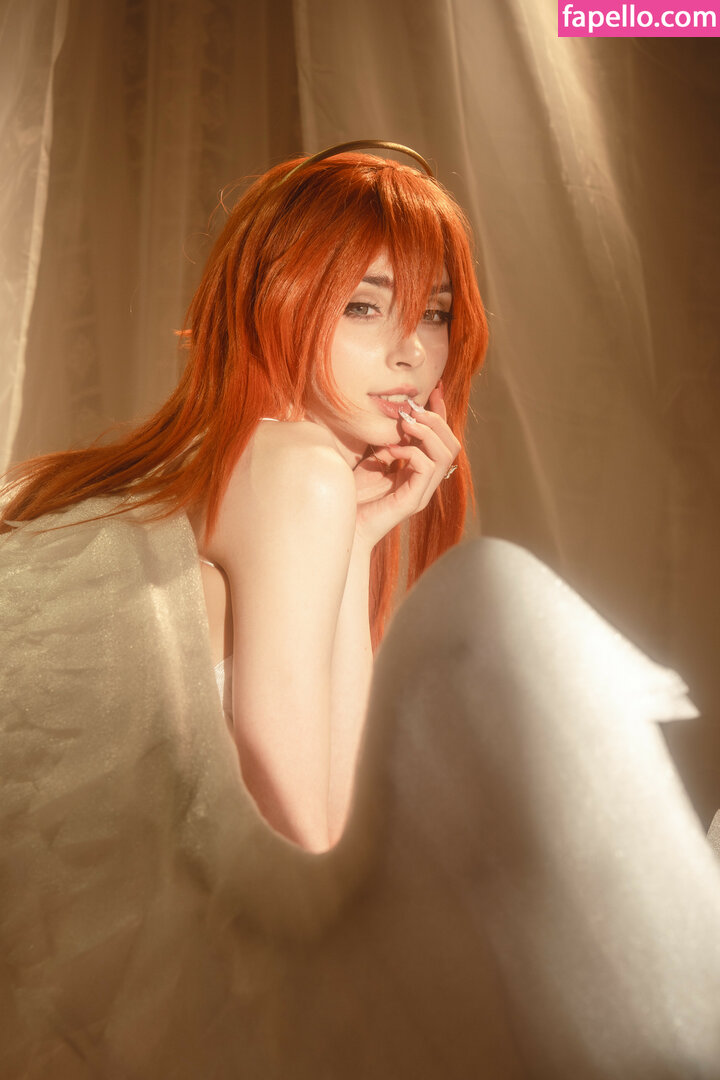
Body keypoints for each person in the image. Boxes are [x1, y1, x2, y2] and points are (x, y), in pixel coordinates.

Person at [1, 141, 720, 1078]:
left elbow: (317, 809)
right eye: (364, 306)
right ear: (274, 300)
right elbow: (306, 834)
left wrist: (364, 535)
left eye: (435, 313)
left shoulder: (238, 468)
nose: (411, 350)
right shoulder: (298, 470)